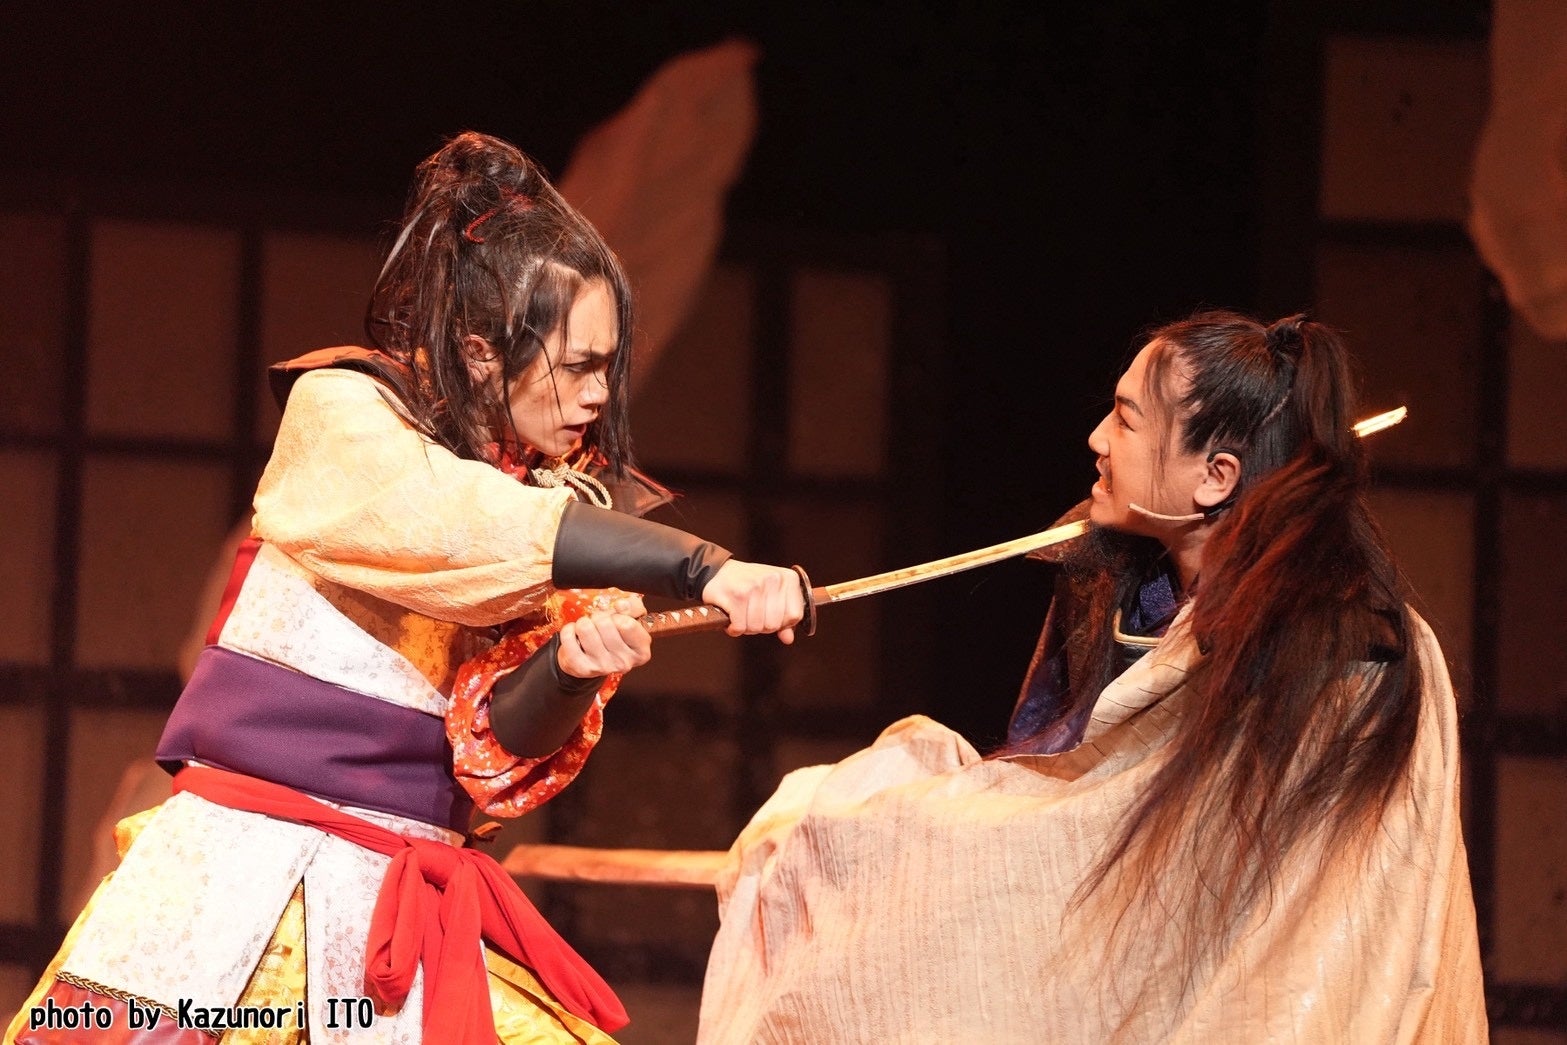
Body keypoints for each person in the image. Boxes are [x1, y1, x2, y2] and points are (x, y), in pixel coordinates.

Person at [7, 131, 803, 1045]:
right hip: (237, 873)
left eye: (607, 367)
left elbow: (492, 745)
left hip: (401, 898)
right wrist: (705, 567)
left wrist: (569, 671)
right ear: (479, 351)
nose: (597, 395)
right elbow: (459, 518)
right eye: (579, 364)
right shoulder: (349, 415)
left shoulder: (569, 503)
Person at [698, 311, 1486, 1042]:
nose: (1096, 438)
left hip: (1277, 994)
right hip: (1155, 935)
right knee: (854, 821)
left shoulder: (1346, 649)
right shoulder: (1127, 582)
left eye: (1126, 419)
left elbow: (1286, 905)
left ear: (1215, 477)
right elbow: (1075, 788)